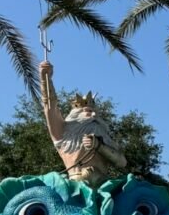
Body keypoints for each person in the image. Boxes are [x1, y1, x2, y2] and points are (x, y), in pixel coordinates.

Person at [40, 59, 127, 187]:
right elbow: (50, 107)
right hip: (74, 187)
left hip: (104, 186)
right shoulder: (63, 133)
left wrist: (100, 146)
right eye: (87, 112)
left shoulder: (105, 138)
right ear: (75, 116)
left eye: (94, 113)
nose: (93, 116)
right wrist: (45, 79)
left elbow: (122, 162)